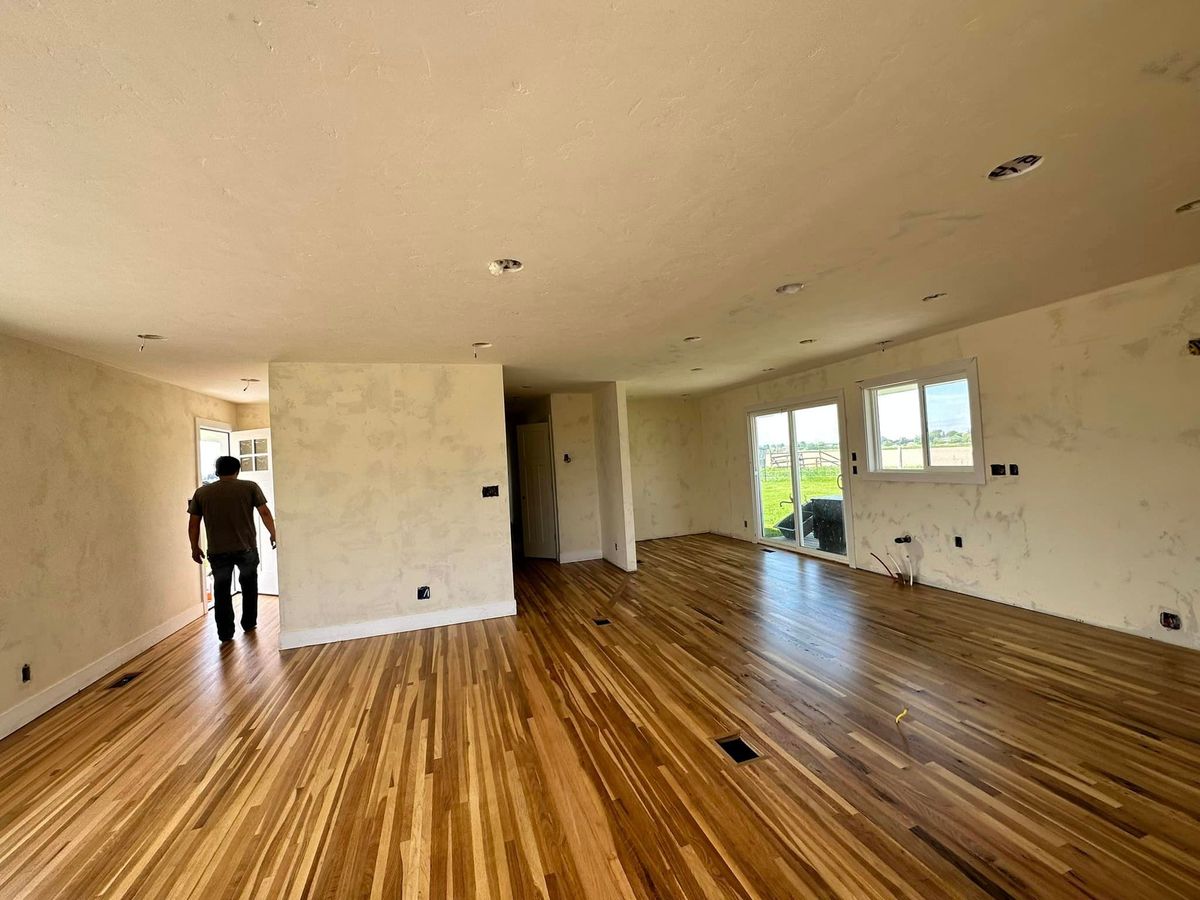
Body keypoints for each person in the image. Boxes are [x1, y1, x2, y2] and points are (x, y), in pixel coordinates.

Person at [188, 456, 277, 642]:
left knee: (221, 591)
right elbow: (265, 512)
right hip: (246, 548)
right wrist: (274, 533)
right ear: (237, 470)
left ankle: (225, 633)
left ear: (216, 471)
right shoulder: (249, 487)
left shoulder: (202, 493)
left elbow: (193, 524)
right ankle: (249, 623)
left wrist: (194, 547)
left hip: (217, 550)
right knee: (249, 586)